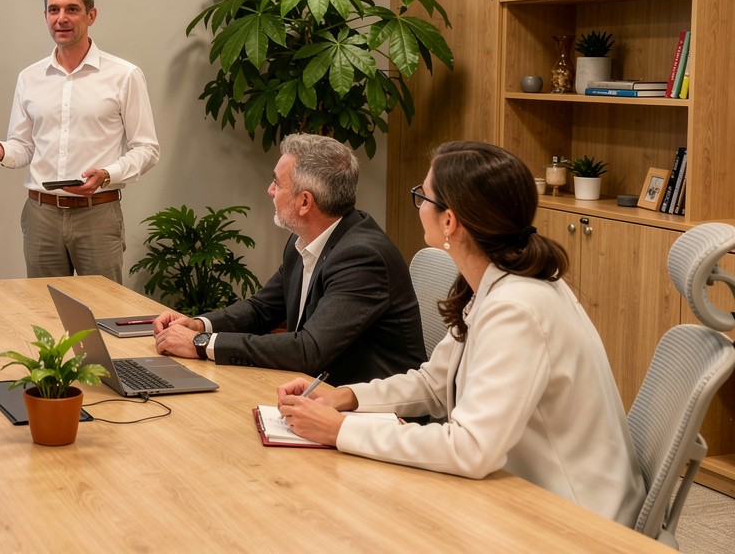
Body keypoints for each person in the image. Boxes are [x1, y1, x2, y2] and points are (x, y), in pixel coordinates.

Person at [276, 141, 644, 525]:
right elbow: (435, 384)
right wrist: (345, 398)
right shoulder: (495, 283)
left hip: (576, 517)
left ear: (449, 221)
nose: (417, 206)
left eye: (422, 196)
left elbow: (471, 448)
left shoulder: (516, 309)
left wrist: (343, 431)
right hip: (523, 489)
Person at [152, 133, 425, 386]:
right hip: (317, 394)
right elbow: (261, 309)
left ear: (304, 202)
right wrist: (198, 325)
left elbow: (309, 350)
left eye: (277, 183)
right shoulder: (306, 238)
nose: (270, 190)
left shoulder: (363, 258)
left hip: (375, 413)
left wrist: (202, 343)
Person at [0, 0, 159, 282]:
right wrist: (0, 149)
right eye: (54, 10)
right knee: (45, 312)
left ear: (91, 15)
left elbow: (147, 149)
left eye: (72, 10)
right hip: (42, 215)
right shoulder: (30, 77)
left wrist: (108, 175)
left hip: (98, 212)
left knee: (103, 311)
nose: (61, 19)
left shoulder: (124, 75)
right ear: (45, 16)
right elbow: (24, 147)